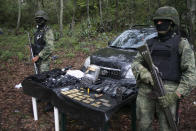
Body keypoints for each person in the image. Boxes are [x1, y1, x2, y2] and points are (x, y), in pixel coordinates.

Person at [132, 6, 196, 131]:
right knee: (143, 125)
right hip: (146, 90)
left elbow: (191, 74)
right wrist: (145, 74)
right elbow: (135, 63)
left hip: (168, 94)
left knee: (167, 127)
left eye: (163, 21)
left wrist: (176, 95)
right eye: (157, 21)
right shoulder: (149, 43)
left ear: (172, 23)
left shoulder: (181, 44)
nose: (159, 23)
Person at [32, 10, 54, 112]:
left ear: (44, 19)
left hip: (44, 59)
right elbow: (38, 43)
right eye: (37, 18)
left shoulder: (47, 30)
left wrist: (39, 56)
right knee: (39, 78)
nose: (38, 20)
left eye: (40, 18)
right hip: (37, 58)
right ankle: (41, 96)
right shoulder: (38, 31)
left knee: (45, 79)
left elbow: (50, 47)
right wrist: (32, 47)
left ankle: (51, 102)